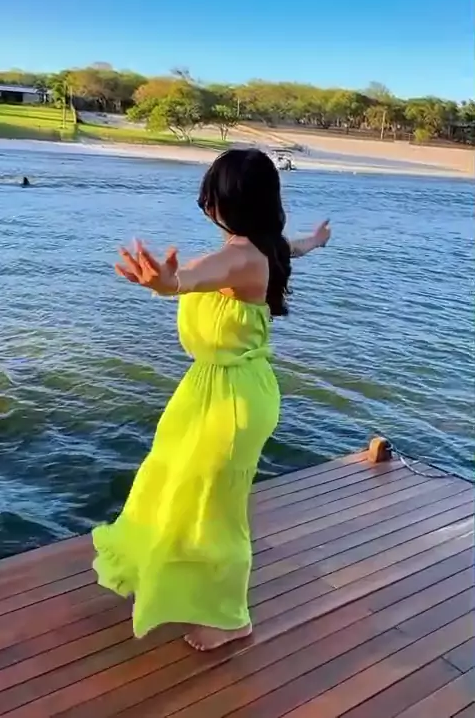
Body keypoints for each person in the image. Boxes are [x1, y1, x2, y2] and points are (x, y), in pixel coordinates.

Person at [92, 147, 331, 651]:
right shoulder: (264, 247)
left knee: (215, 508)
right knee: (180, 489)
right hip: (216, 388)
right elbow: (293, 248)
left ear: (231, 201)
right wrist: (316, 240)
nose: (205, 204)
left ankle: (230, 618)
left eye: (212, 195)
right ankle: (181, 584)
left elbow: (193, 278)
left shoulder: (241, 256)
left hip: (232, 400)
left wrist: (169, 284)